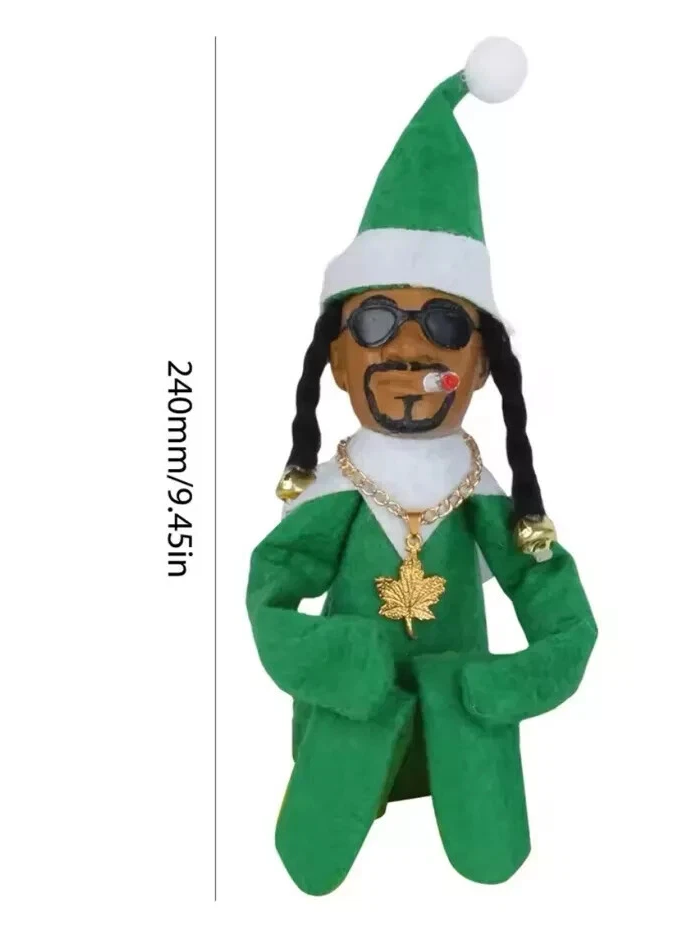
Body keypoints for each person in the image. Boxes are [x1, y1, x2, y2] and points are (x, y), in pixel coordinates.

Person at [246, 37, 597, 895]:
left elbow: (566, 624)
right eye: (374, 323)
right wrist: (343, 659)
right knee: (313, 865)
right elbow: (269, 602)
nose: (408, 352)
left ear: (480, 365)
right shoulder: (335, 494)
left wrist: (496, 687)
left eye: (443, 325)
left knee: (487, 862)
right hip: (345, 737)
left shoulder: (484, 501)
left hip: (461, 749)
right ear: (336, 358)